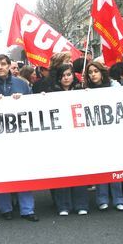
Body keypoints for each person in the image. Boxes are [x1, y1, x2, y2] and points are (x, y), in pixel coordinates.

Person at [0, 54, 39, 222]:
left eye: (4, 64)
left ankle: (27, 209)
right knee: (0, 172)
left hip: (19, 138)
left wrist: (24, 100)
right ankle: (5, 208)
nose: (1, 67)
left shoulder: (22, 85)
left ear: (9, 65)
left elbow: (33, 107)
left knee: (23, 172)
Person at [47, 65, 89, 216]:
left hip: (78, 138)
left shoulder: (81, 91)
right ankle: (63, 206)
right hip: (59, 139)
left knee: (79, 170)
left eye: (69, 74)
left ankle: (81, 204)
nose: (66, 77)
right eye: (63, 75)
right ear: (59, 77)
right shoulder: (51, 93)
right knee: (62, 171)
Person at [84, 61, 123, 211]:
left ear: (102, 72)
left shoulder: (114, 86)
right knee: (100, 167)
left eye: (96, 71)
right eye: (90, 72)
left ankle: (119, 199)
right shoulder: (85, 90)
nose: (93, 74)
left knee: (115, 166)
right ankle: (102, 199)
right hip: (95, 136)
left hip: (112, 134)